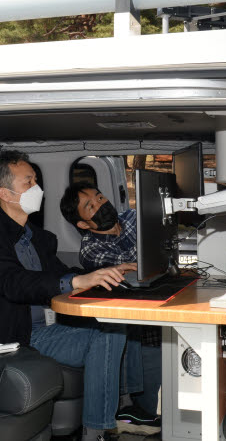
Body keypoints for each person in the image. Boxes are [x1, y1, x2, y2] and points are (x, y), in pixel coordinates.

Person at [0, 150, 134, 441]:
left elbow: (58, 273)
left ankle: (125, 411)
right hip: (19, 334)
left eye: (36, 178)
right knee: (108, 332)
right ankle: (97, 432)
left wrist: (109, 271)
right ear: (6, 194)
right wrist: (76, 279)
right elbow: (13, 282)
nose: (38, 188)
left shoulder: (35, 237)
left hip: (48, 326)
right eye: (28, 181)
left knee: (115, 322)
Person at [61, 182, 162, 437]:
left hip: (159, 313)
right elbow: (138, 268)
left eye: (100, 198)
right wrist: (146, 259)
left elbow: (156, 248)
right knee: (156, 409)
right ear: (83, 224)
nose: (100, 205)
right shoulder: (91, 251)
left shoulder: (132, 218)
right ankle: (129, 411)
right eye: (90, 207)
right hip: (138, 331)